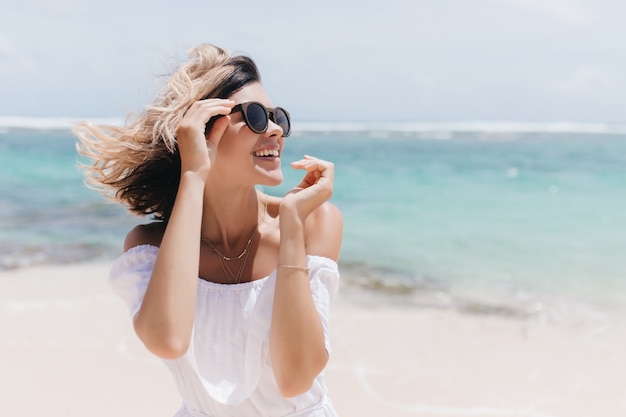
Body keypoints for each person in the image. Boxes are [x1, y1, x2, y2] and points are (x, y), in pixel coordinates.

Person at [74, 43, 343, 417]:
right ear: (201, 131)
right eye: (254, 116)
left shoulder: (314, 221)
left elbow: (295, 379)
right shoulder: (149, 245)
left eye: (277, 116)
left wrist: (292, 228)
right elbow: (169, 339)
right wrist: (193, 173)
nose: (276, 130)